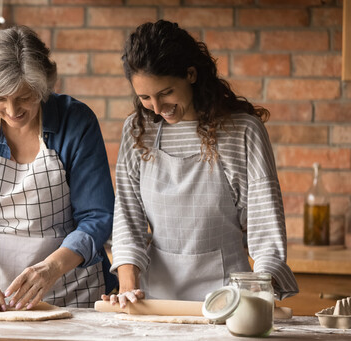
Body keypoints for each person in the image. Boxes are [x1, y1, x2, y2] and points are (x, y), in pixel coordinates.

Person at [104, 20, 298, 307]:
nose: (157, 108)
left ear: (191, 74)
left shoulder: (243, 131)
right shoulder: (137, 130)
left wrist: (256, 300)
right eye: (145, 97)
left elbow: (265, 229)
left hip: (229, 300)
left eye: (165, 93)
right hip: (155, 303)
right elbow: (128, 218)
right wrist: (128, 289)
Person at [0, 25, 116, 313]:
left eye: (25, 96)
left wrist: (52, 268)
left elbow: (97, 216)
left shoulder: (76, 121)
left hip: (69, 284)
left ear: (44, 88)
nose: (13, 110)